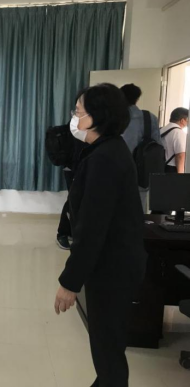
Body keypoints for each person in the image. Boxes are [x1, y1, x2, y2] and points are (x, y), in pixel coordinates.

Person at [54, 83, 147, 387]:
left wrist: (70, 282)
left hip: (112, 269)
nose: (74, 117)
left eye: (78, 111)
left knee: (108, 354)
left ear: (97, 117)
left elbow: (92, 229)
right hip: (116, 266)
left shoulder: (105, 159)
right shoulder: (109, 149)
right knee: (108, 350)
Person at [120, 83, 161, 212]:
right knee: (139, 210)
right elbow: (157, 146)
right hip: (142, 171)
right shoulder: (150, 118)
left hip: (117, 170)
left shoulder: (114, 117)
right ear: (137, 98)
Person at [56, 102, 87, 250]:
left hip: (80, 167)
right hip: (72, 168)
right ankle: (62, 233)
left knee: (77, 200)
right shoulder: (74, 124)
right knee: (73, 200)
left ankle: (71, 232)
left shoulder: (86, 124)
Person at [160, 107, 189, 173]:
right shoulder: (178, 132)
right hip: (172, 169)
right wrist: (180, 175)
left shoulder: (162, 129)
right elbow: (180, 156)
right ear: (182, 120)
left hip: (162, 166)